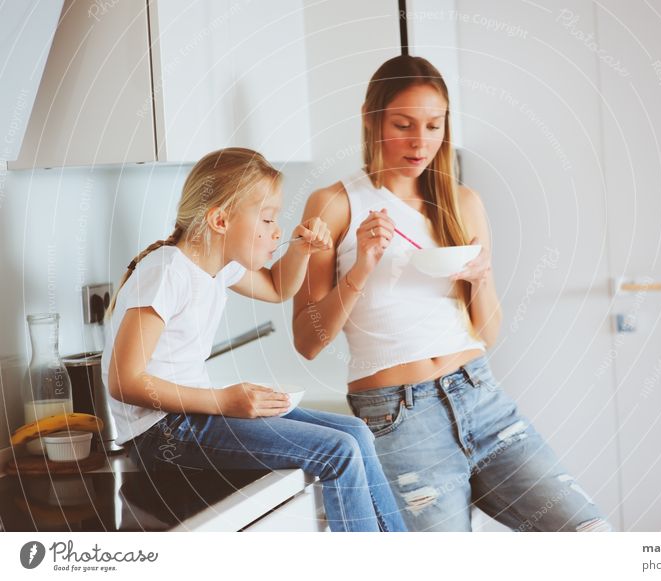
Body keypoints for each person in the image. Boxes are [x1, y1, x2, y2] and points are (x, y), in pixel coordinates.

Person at [292, 56, 613, 532]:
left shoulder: (463, 203)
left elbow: (488, 331)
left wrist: (480, 278)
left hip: (481, 398)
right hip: (398, 420)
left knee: (590, 534)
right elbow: (308, 340)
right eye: (403, 124)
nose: (419, 141)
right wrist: (361, 266)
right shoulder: (336, 204)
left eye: (433, 125)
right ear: (371, 118)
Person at [101, 147, 406, 532]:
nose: (276, 230)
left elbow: (278, 287)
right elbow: (124, 381)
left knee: (356, 432)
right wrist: (223, 400)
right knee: (338, 451)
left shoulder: (215, 266)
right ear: (220, 220)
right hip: (162, 437)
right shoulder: (168, 272)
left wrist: (300, 250)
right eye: (266, 219)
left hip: (191, 418)